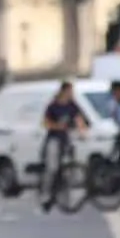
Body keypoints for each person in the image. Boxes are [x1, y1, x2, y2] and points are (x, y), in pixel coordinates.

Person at [38, 80, 85, 212]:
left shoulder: (72, 105)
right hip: (54, 139)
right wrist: (57, 126)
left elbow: (78, 118)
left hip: (66, 139)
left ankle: (66, 196)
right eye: (69, 91)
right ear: (63, 91)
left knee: (70, 166)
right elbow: (46, 123)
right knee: (52, 167)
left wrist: (82, 132)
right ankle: (45, 195)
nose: (71, 94)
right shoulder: (53, 106)